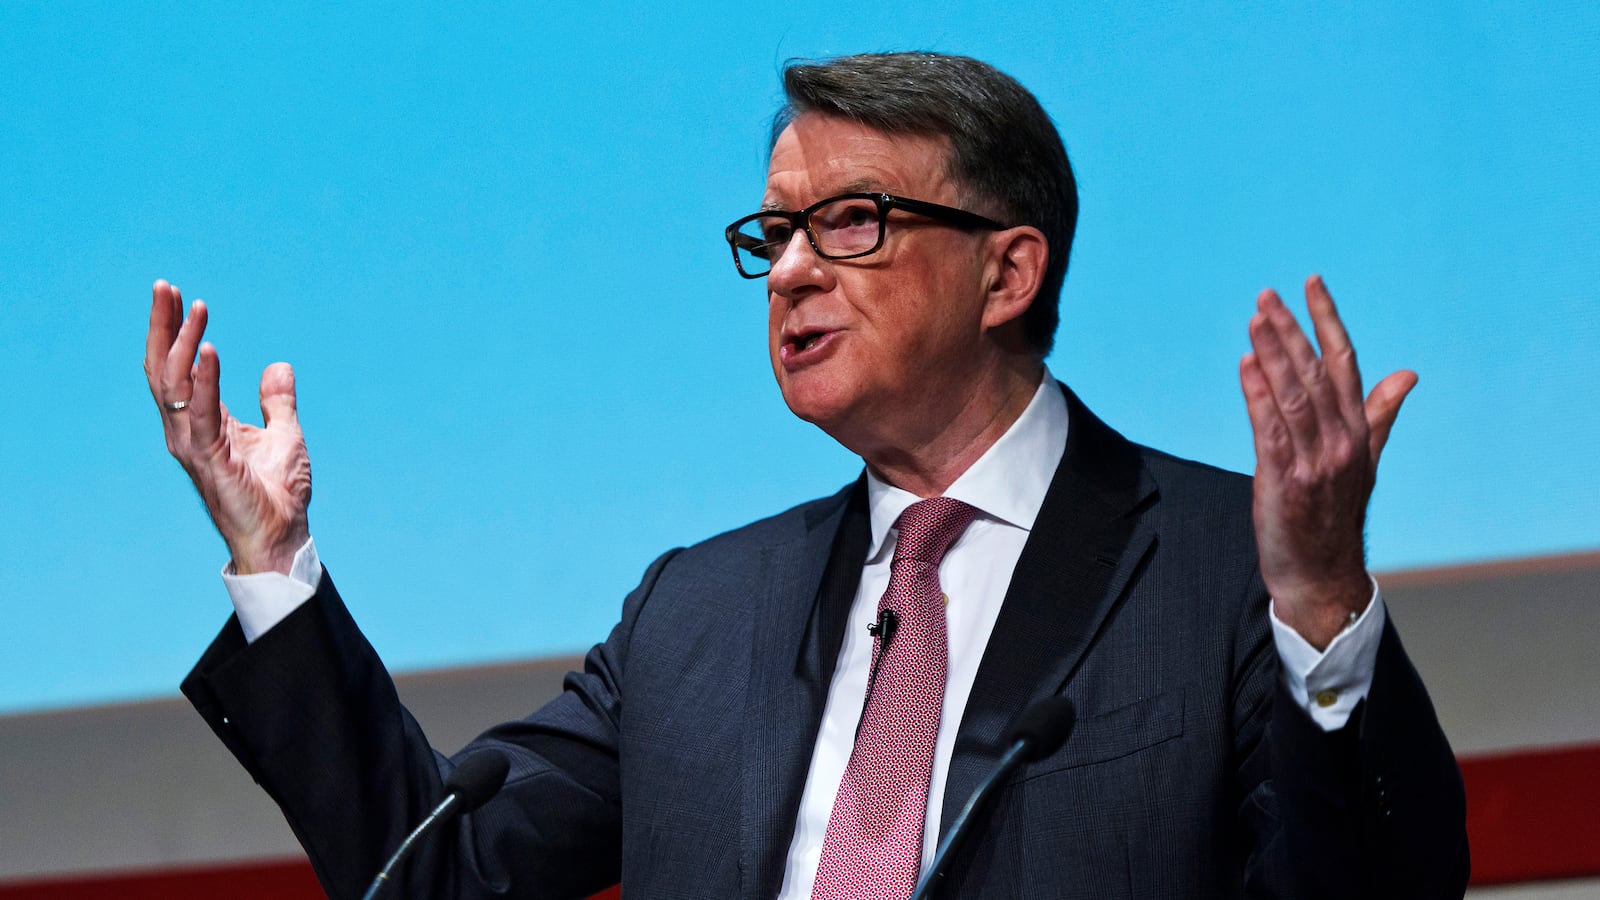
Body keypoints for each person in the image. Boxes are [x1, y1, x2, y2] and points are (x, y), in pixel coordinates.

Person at [147, 53, 1467, 899]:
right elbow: (437, 875)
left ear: (1008, 271)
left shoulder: (1218, 569)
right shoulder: (697, 617)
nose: (788, 271)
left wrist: (1321, 610)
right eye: (773, 235)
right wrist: (274, 564)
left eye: (852, 222)